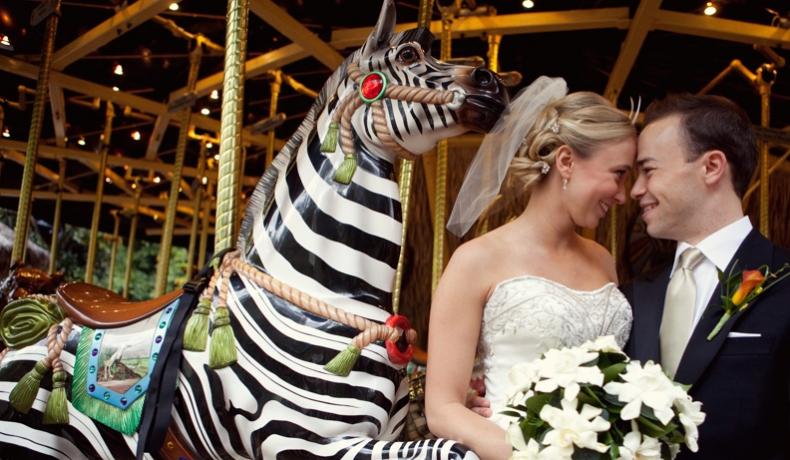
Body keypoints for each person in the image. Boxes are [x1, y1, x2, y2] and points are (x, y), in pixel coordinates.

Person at [424, 77, 637, 460]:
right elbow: (442, 408)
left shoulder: (603, 258)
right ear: (566, 161)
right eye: (618, 174)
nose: (623, 195)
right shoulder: (476, 259)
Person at [623, 93, 790, 460]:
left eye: (648, 170)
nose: (636, 190)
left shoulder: (784, 281)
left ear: (712, 166)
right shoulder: (633, 295)